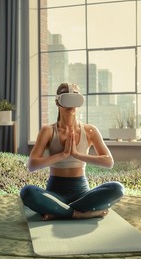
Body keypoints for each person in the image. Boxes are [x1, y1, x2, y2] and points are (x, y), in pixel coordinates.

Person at [20, 83, 124, 220]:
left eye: (75, 96)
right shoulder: (48, 131)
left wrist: (76, 154)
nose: (70, 102)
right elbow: (32, 165)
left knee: (117, 189)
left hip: (82, 192)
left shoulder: (89, 130)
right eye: (66, 96)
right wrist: (62, 155)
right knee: (27, 192)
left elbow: (109, 162)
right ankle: (79, 213)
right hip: (55, 192)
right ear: (57, 102)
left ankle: (58, 210)